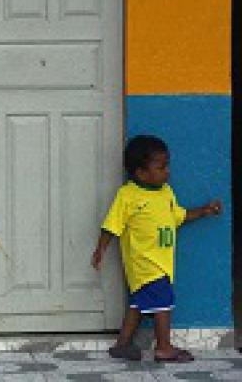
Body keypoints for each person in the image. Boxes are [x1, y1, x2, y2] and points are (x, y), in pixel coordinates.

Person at [91, 135, 221, 363]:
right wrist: (100, 249)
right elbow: (112, 225)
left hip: (161, 262)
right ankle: (163, 347)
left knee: (138, 304)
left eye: (167, 165)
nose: (167, 172)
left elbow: (179, 216)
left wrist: (204, 211)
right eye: (161, 167)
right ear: (141, 173)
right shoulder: (128, 195)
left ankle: (122, 344)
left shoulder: (166, 192)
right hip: (145, 263)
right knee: (163, 303)